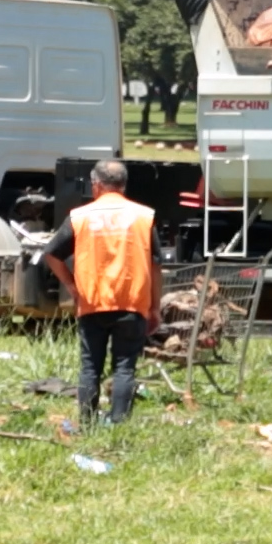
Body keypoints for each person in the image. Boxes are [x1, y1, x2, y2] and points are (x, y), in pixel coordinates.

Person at [42, 160, 161, 425]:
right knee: (124, 367)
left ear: (96, 185)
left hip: (92, 303)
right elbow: (156, 266)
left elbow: (51, 254)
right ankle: (119, 423)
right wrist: (154, 307)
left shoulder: (80, 216)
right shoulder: (144, 216)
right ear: (124, 185)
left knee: (90, 367)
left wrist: (72, 286)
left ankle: (87, 423)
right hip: (132, 303)